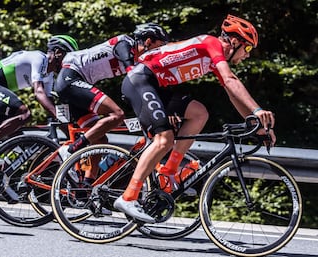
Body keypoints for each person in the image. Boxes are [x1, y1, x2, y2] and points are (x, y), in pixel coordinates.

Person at [114, 14, 277, 223]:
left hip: (156, 86)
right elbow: (230, 79)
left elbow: (232, 92)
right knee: (164, 139)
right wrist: (257, 110)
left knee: (199, 113)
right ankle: (128, 197)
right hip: (140, 80)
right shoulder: (211, 43)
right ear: (235, 42)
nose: (246, 55)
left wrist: (258, 126)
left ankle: (168, 172)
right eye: (247, 49)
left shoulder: (213, 59)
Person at [56, 23, 169, 185]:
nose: (160, 51)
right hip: (71, 78)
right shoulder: (125, 43)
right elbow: (132, 73)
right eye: (160, 46)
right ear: (149, 41)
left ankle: (85, 189)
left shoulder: (138, 61)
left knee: (100, 139)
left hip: (77, 83)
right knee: (117, 114)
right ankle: (71, 150)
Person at [0, 35, 79, 166]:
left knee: (19, 142)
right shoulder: (39, 58)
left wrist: (69, 132)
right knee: (24, 114)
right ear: (57, 52)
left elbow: (49, 105)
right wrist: (58, 116)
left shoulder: (48, 76)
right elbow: (38, 92)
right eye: (67, 57)